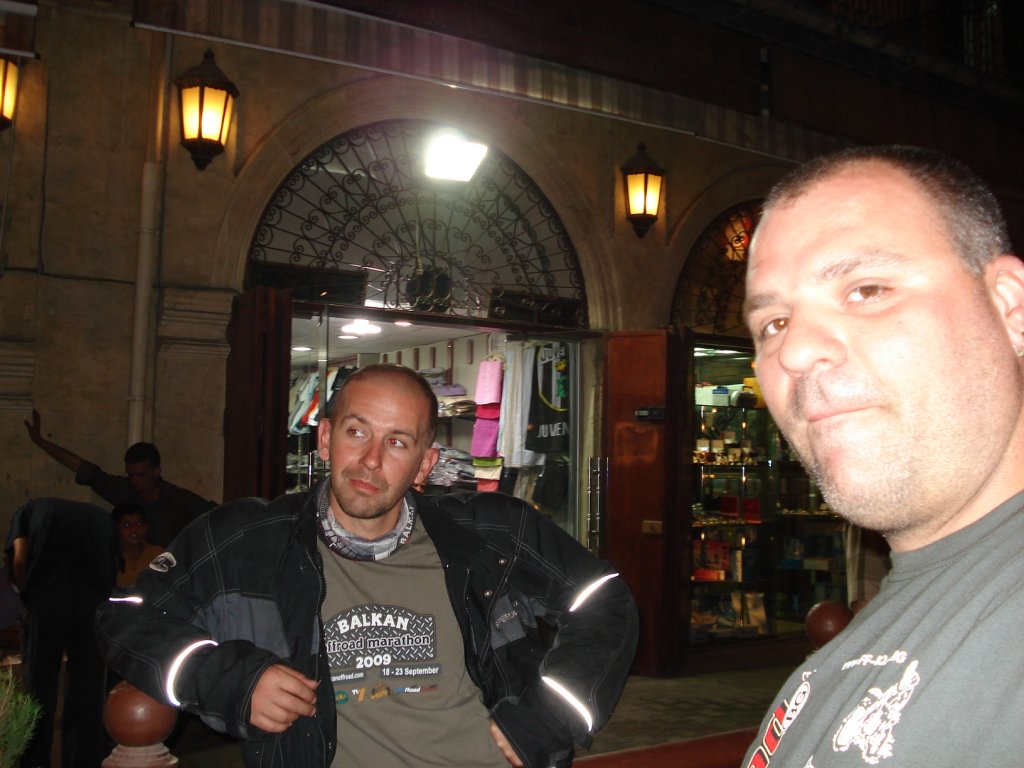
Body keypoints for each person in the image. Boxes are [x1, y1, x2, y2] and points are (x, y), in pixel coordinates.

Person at [97, 364, 638, 768]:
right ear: (325, 438)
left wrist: (554, 712)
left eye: (397, 442)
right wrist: (229, 678)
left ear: (425, 464)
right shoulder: (246, 538)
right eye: (357, 432)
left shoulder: (492, 533)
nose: (371, 460)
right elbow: (125, 615)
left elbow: (604, 599)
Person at [740, 144, 1024, 766]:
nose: (794, 352)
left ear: (1010, 306)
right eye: (774, 324)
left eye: (866, 290)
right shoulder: (881, 626)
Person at [6, 497, 117, 768]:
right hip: (93, 601)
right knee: (88, 690)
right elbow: (112, 564)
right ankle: (83, 761)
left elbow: (19, 560)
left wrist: (27, 597)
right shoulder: (101, 515)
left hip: (46, 596)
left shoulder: (26, 512)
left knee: (38, 686)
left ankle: (34, 761)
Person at [25, 410, 216, 546]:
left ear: (156, 471)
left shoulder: (179, 500)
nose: (135, 481)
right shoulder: (125, 490)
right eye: (130, 475)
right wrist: (41, 442)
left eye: (140, 475)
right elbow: (83, 468)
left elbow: (217, 516)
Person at [111, 502, 164, 592]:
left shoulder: (158, 554)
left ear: (146, 526)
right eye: (127, 525)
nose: (134, 529)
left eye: (139, 524)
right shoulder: (108, 556)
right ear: (115, 528)